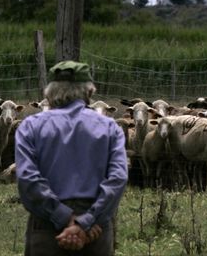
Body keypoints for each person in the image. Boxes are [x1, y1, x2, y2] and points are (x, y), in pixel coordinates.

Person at [15, 60, 128, 255]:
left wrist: (64, 217)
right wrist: (86, 222)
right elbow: (118, 178)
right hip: (95, 230)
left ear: (49, 93)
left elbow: (27, 178)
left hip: (47, 226)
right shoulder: (110, 128)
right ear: (89, 92)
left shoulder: (30, 127)